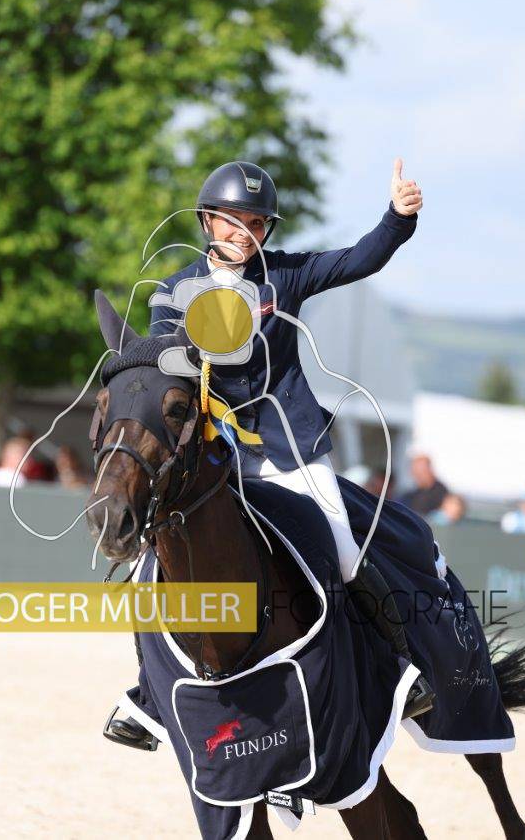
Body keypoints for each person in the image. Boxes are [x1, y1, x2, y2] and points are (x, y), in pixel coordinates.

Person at [106, 158, 430, 750]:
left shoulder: (285, 276)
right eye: (232, 221)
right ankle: (150, 696)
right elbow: (166, 365)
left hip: (288, 446)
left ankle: (397, 670)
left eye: (255, 223)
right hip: (215, 454)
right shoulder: (173, 291)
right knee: (148, 565)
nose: (244, 233)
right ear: (207, 221)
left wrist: (397, 218)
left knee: (344, 554)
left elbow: (359, 258)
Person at [400, 451, 449, 518]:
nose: (417, 476)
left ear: (429, 470)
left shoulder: (441, 493)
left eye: (420, 472)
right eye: (415, 473)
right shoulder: (411, 495)